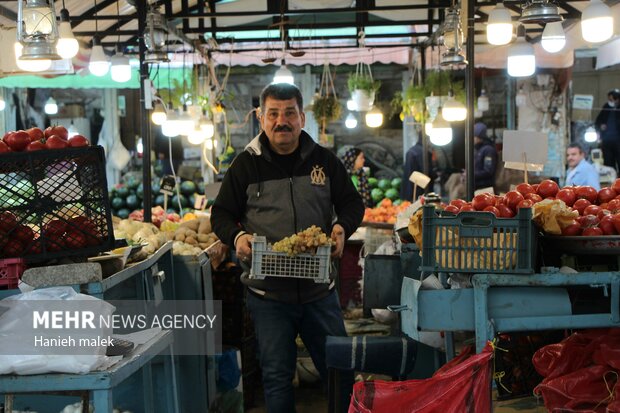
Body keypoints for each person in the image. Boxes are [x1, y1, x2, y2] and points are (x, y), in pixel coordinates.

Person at [211, 83, 364, 412]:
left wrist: (341, 228)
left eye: (290, 113)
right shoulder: (245, 165)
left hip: (319, 293)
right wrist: (237, 237)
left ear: (302, 118)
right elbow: (221, 214)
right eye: (274, 114)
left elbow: (352, 203)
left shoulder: (323, 160)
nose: (282, 121)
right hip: (268, 297)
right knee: (277, 378)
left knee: (340, 373)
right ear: (260, 118)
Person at [595, 89, 620, 171]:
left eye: (612, 99)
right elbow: (598, 121)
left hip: (618, 141)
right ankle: (613, 182)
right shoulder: (606, 107)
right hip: (606, 140)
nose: (610, 101)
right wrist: (601, 125)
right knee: (608, 162)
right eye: (609, 99)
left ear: (617, 99)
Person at [473, 122, 498, 190]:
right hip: (476, 186)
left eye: (473, 136)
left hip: (485, 187)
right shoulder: (478, 149)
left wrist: (471, 174)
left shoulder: (488, 150)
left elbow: (488, 171)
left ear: (479, 137)